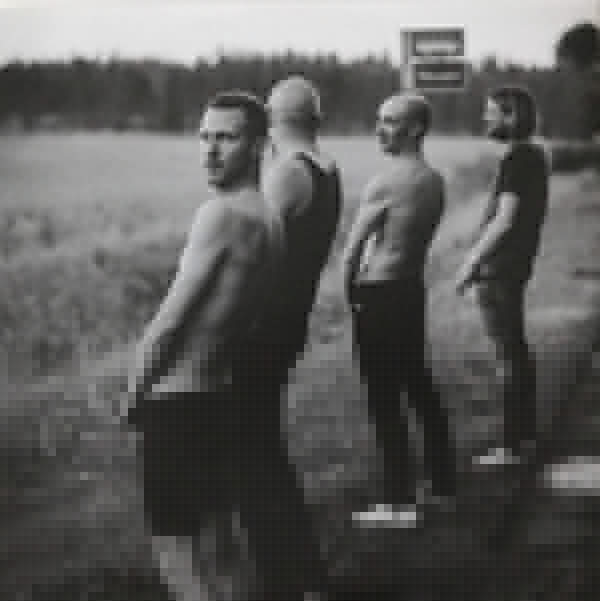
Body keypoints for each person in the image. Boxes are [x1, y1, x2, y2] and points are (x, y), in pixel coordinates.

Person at [125, 91, 289, 601]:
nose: (210, 151)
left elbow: (170, 321)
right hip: (219, 395)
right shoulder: (271, 219)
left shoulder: (219, 215)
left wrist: (134, 390)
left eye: (226, 137)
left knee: (179, 559)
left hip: (177, 402)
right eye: (205, 137)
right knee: (221, 549)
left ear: (258, 145)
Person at [237, 76, 342, 598]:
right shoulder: (326, 168)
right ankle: (305, 577)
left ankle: (285, 579)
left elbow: (247, 247)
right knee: (262, 450)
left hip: (260, 325)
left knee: (252, 456)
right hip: (288, 320)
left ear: (270, 118)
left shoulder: (287, 174)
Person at [342, 93, 457, 521]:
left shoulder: (385, 183)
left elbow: (353, 249)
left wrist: (348, 294)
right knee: (419, 385)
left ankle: (399, 501)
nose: (379, 129)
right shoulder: (434, 181)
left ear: (416, 128)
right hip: (410, 289)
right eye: (380, 119)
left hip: (378, 292)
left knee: (383, 397)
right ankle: (443, 485)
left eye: (390, 121)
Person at [456, 86, 549, 467]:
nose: (485, 119)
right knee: (516, 352)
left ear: (511, 116)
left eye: (491, 112)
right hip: (515, 265)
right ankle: (524, 437)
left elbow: (505, 219)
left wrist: (470, 262)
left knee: (508, 356)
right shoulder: (533, 156)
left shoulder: (517, 160)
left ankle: (511, 446)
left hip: (500, 269)